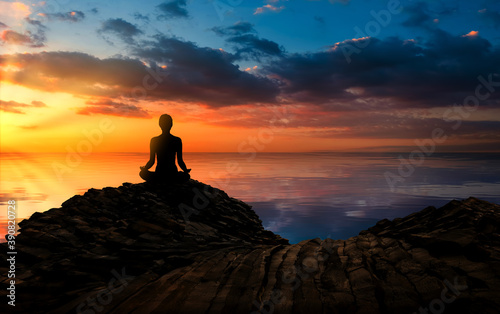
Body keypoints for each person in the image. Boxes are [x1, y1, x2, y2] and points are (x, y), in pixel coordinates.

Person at [140, 114, 191, 183]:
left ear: (160, 124)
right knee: (186, 176)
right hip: (172, 174)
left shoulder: (154, 140)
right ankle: (171, 180)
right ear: (171, 125)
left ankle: (159, 180)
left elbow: (151, 161)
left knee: (142, 173)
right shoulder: (177, 140)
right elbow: (180, 161)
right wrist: (185, 170)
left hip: (159, 173)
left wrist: (145, 169)